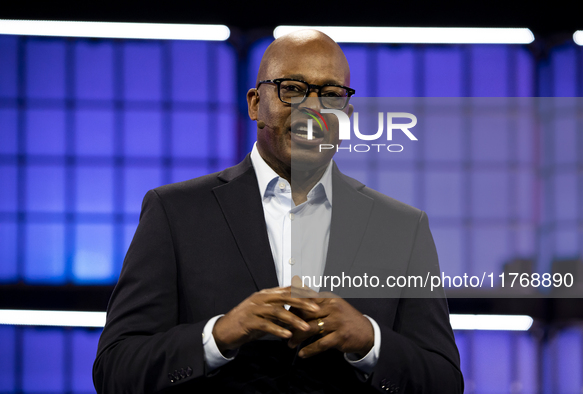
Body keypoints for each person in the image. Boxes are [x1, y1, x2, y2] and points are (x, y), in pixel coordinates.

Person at [93, 30, 463, 393]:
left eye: (331, 95)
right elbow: (115, 370)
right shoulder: (174, 212)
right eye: (293, 89)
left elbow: (444, 381)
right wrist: (219, 334)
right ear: (256, 103)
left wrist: (370, 341)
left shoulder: (402, 226)